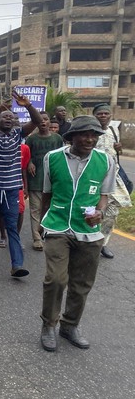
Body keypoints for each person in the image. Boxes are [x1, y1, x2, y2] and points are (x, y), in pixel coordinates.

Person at [39, 116, 116, 352]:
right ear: (71, 137)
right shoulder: (52, 158)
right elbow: (47, 194)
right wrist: (42, 224)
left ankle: (70, 325)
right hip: (57, 225)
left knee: (81, 284)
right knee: (56, 279)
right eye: (84, 134)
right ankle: (48, 325)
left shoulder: (106, 161)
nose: (90, 139)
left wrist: (100, 214)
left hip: (89, 232)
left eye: (94, 135)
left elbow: (104, 195)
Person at [0, 90, 42, 278]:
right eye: (5, 117)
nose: (8, 119)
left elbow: (36, 121)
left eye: (11, 117)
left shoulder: (18, 134)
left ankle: (17, 265)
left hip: (12, 189)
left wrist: (27, 105)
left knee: (11, 225)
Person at [93, 104, 132, 259]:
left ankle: (103, 243)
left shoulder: (114, 130)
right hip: (94, 177)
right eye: (100, 113)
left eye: (106, 113)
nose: (103, 116)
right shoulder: (90, 131)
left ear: (110, 115)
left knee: (112, 212)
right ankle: (89, 241)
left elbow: (118, 153)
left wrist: (119, 148)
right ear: (94, 115)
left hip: (113, 176)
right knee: (92, 209)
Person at [25, 111, 63, 251]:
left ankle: (48, 233)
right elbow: (25, 155)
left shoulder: (57, 139)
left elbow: (62, 157)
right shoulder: (31, 139)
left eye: (45, 119)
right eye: (39, 120)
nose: (43, 122)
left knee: (50, 209)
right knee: (35, 210)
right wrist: (29, 163)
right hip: (36, 181)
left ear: (49, 122)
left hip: (53, 182)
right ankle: (36, 238)